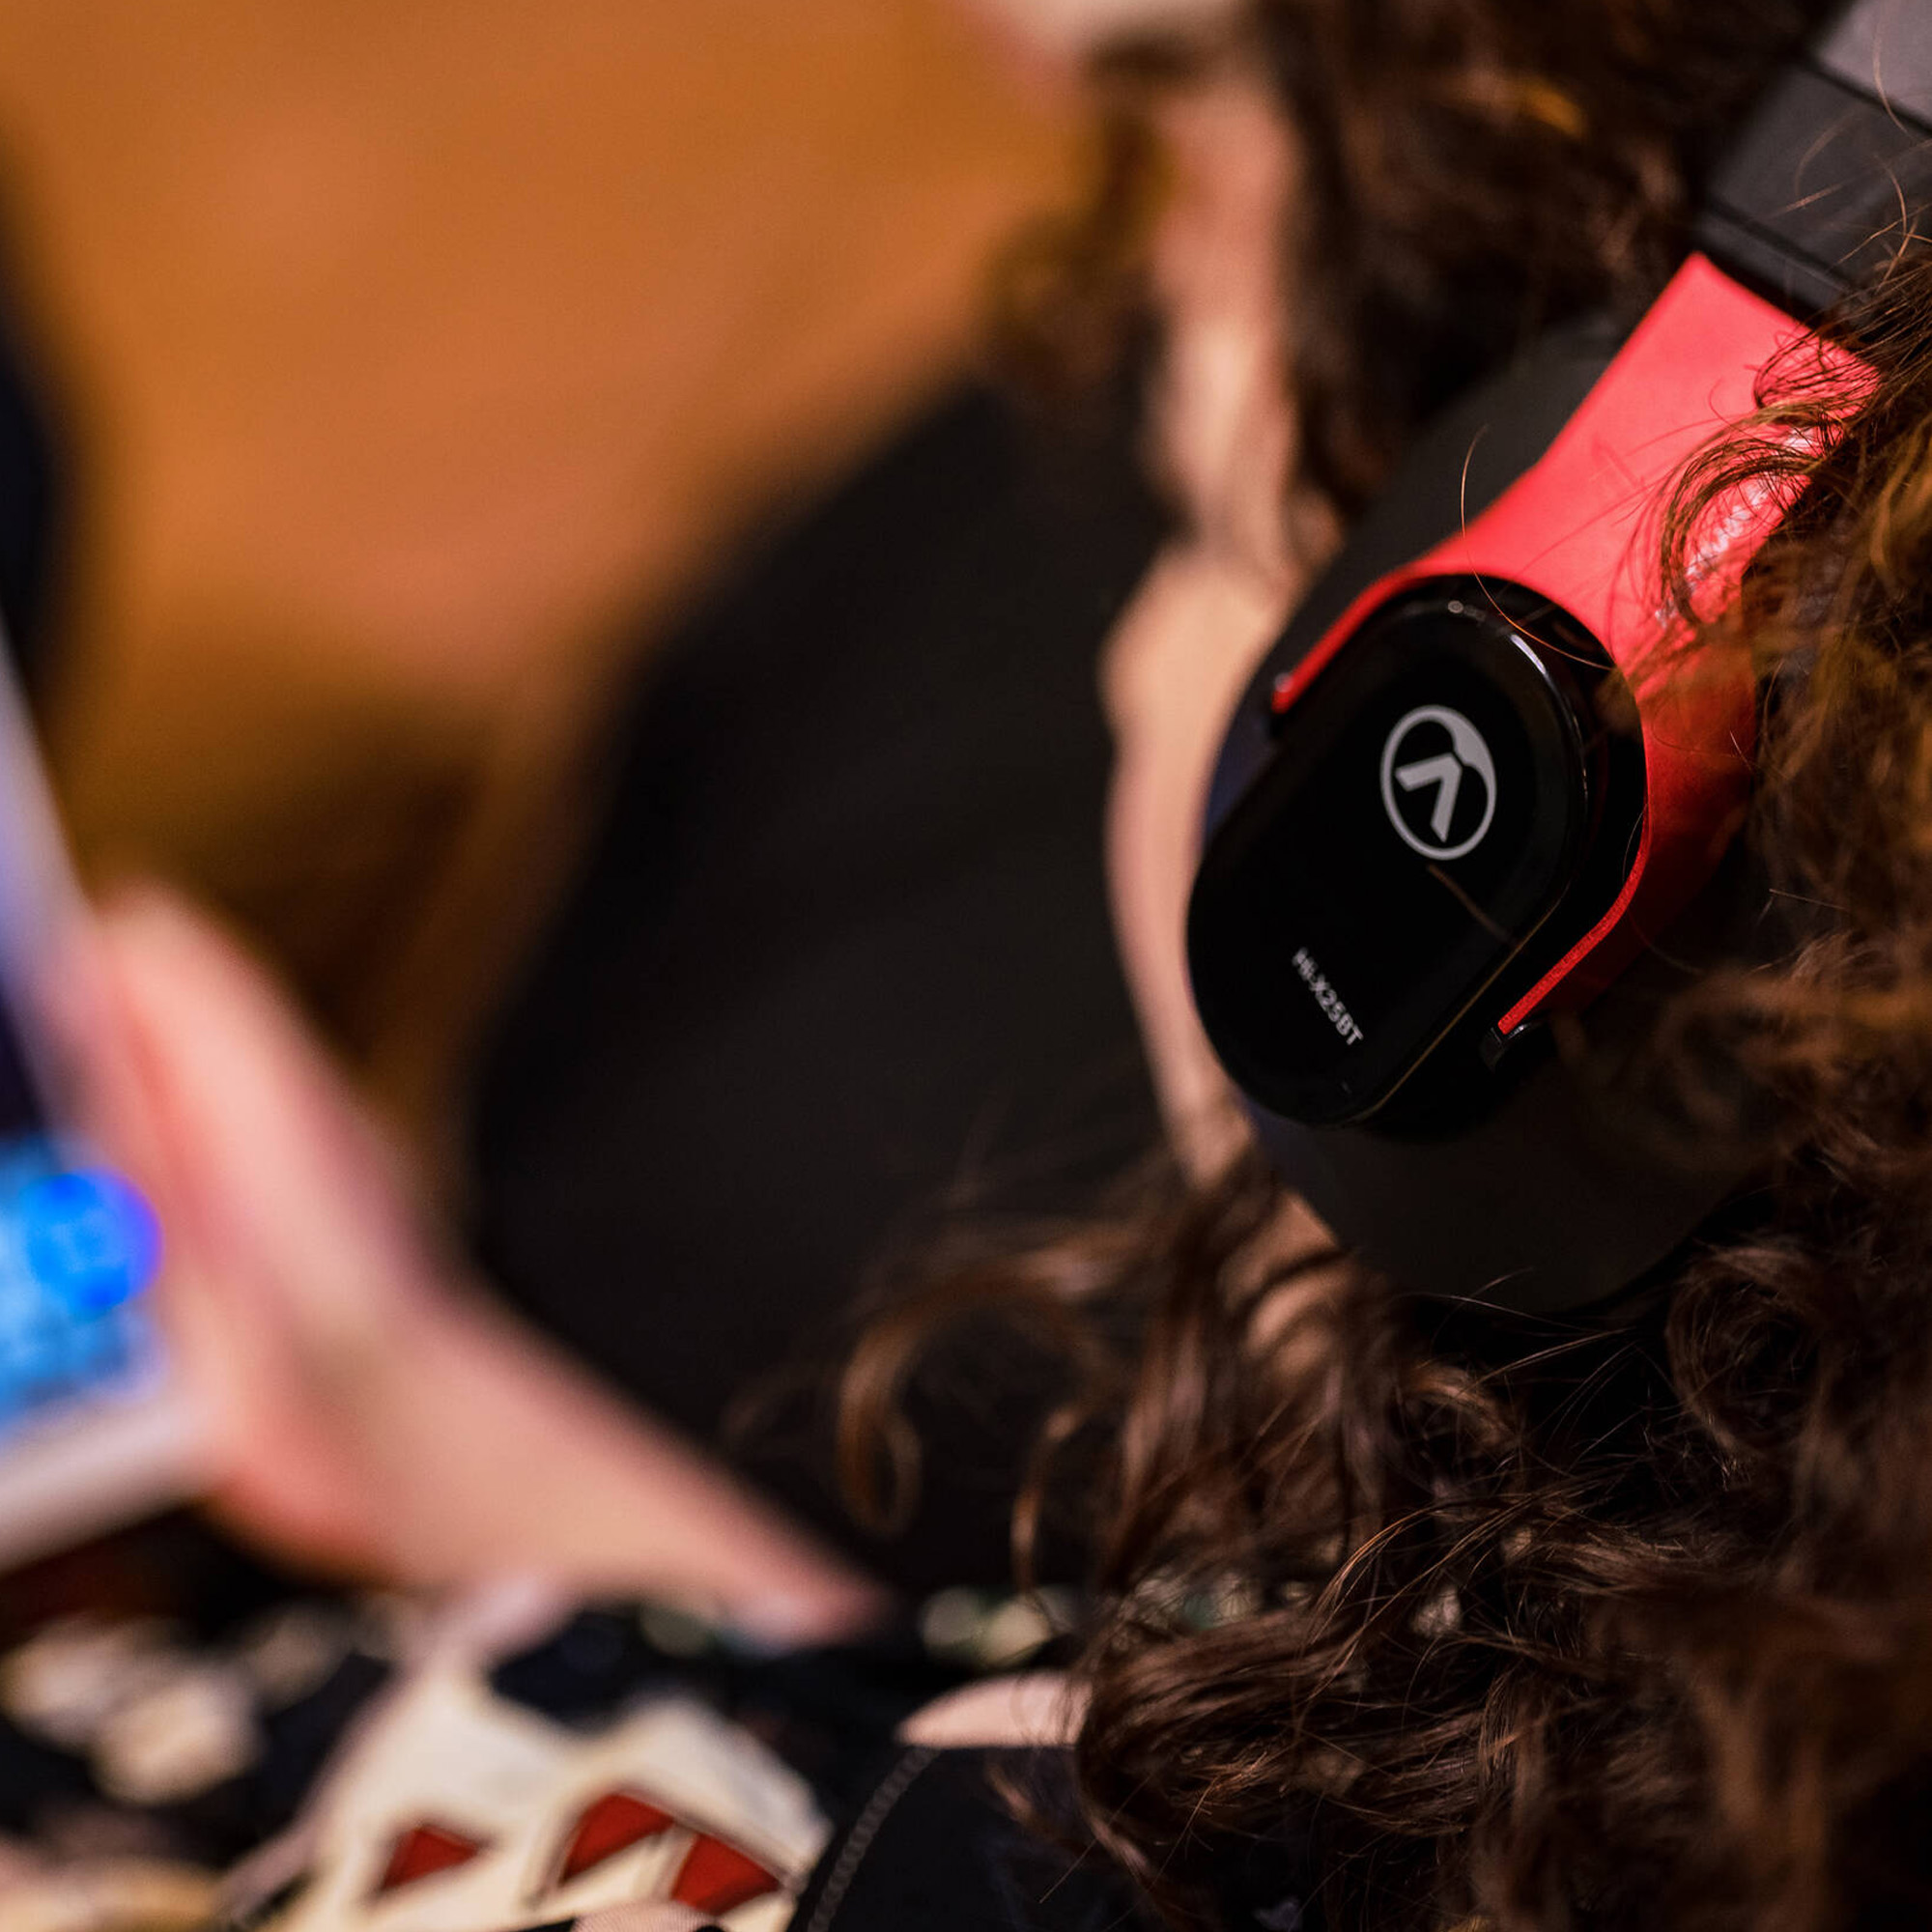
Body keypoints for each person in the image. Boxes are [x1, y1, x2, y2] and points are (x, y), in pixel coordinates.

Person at [23, 0, 1932, 1927]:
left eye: (1196, 181)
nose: (1130, 640)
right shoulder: (1483, 1732)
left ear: (1436, 813)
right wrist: (435, 1427)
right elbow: (963, 1792)